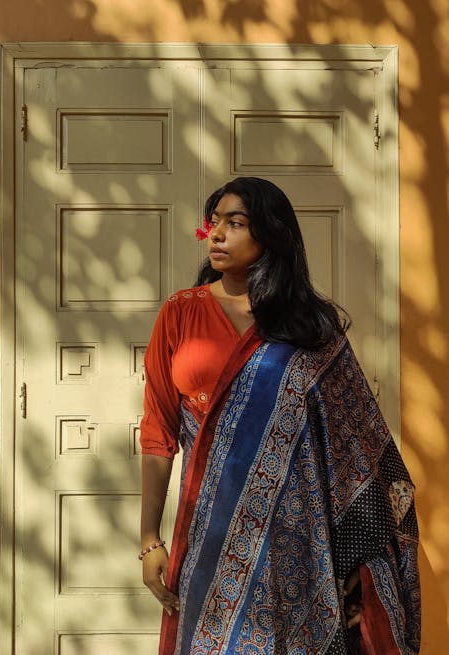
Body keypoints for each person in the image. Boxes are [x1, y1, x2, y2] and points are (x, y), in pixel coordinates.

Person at [139, 177, 420, 655]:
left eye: (236, 222)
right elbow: (158, 431)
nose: (219, 234)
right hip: (208, 535)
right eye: (215, 222)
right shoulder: (181, 314)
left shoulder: (311, 328)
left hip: (297, 548)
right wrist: (148, 538)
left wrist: (354, 566)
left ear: (270, 236)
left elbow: (361, 449)